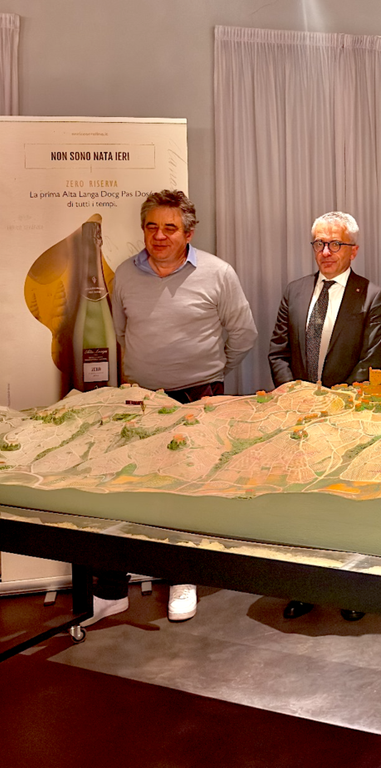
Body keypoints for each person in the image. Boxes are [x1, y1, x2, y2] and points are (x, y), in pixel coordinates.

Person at [86, 190, 257, 627]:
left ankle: (183, 579)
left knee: (187, 493)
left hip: (200, 397)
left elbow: (244, 334)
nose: (159, 236)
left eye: (170, 228)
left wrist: (214, 373)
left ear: (188, 233)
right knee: (125, 487)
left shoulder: (218, 273)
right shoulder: (125, 274)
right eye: (151, 226)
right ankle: (112, 589)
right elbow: (120, 333)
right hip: (140, 399)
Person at [269, 210, 381, 621]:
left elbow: (371, 361)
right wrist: (296, 396)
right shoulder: (295, 291)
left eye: (335, 243)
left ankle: (353, 591)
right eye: (319, 243)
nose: (326, 251)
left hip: (346, 420)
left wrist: (332, 406)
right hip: (299, 419)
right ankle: (305, 587)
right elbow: (278, 352)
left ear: (353, 250)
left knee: (347, 509)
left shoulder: (371, 296)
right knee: (304, 510)